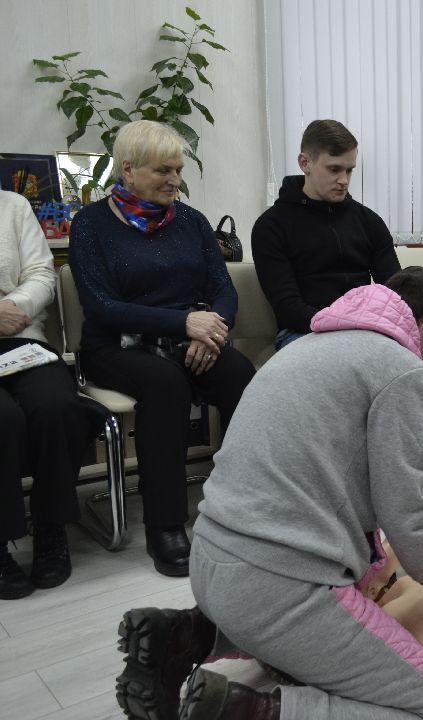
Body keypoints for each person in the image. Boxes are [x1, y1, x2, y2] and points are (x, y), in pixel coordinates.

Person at [115, 267, 423, 720]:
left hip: (210, 564)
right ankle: (245, 711)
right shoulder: (404, 372)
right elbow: (404, 509)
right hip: (274, 584)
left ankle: (186, 636)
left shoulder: (304, 347)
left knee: (331, 594)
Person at [69, 120, 256, 578]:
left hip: (190, 339)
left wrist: (212, 331)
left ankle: (242, 504)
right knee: (166, 385)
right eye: (163, 171)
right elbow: (102, 306)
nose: (175, 180)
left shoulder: (190, 221)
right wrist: (184, 322)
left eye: (178, 170)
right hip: (116, 346)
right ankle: (166, 525)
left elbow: (222, 289)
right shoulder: (90, 225)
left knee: (241, 374)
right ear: (128, 171)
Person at [251, 118, 423, 502]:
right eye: (334, 169)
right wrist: (353, 332)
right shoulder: (272, 226)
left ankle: (398, 468)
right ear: (305, 162)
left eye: (350, 169)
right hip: (307, 334)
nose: (344, 179)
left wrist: (376, 335)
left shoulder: (367, 221)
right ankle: (350, 481)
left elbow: (402, 295)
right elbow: (287, 307)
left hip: (372, 334)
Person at [0, 190, 95, 599]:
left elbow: (42, 273)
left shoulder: (12, 206)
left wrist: (14, 310)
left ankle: (50, 526)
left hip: (19, 338)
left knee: (58, 406)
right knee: (4, 419)